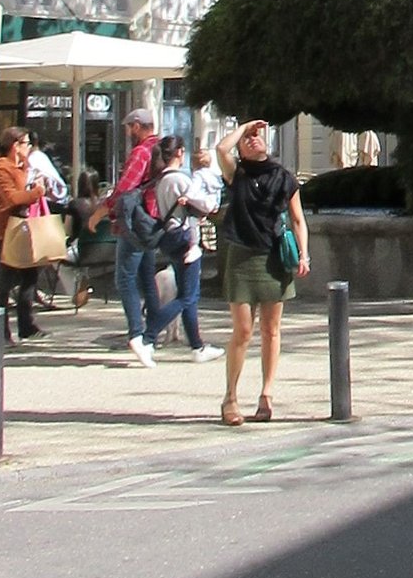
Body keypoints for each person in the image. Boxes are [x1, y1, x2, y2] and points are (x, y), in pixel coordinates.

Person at [215, 119, 310, 425]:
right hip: (241, 255)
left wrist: (303, 254)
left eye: (258, 136)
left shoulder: (283, 177)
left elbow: (298, 219)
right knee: (243, 329)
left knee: (271, 329)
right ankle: (230, 398)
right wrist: (242, 128)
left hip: (273, 257)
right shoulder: (237, 174)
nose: (254, 140)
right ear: (241, 148)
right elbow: (220, 148)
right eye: (248, 139)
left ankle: (266, 394)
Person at [90, 106, 164, 366]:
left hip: (135, 223)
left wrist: (100, 212)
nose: (127, 132)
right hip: (154, 220)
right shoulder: (161, 148)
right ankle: (153, 334)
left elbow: (124, 188)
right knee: (146, 277)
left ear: (136, 126)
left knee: (125, 278)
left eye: (128, 127)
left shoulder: (141, 152)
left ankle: (137, 333)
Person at [145, 134, 220, 361]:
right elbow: (208, 204)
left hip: (171, 236)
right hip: (186, 239)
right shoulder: (180, 179)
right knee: (187, 296)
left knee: (188, 293)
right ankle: (148, 336)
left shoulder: (161, 180)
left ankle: (197, 346)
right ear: (179, 153)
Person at [0, 127, 47, 341]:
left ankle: (26, 325)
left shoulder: (23, 167)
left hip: (22, 228)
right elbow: (12, 198)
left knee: (30, 275)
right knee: (5, 280)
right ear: (15, 146)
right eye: (25, 143)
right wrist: (36, 192)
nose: (29, 148)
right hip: (3, 232)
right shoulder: (1, 168)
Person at [64, 169, 114, 309]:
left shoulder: (74, 204)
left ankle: (75, 291)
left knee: (56, 259)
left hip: (81, 250)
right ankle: (83, 281)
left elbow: (67, 231)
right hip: (104, 252)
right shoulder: (103, 206)